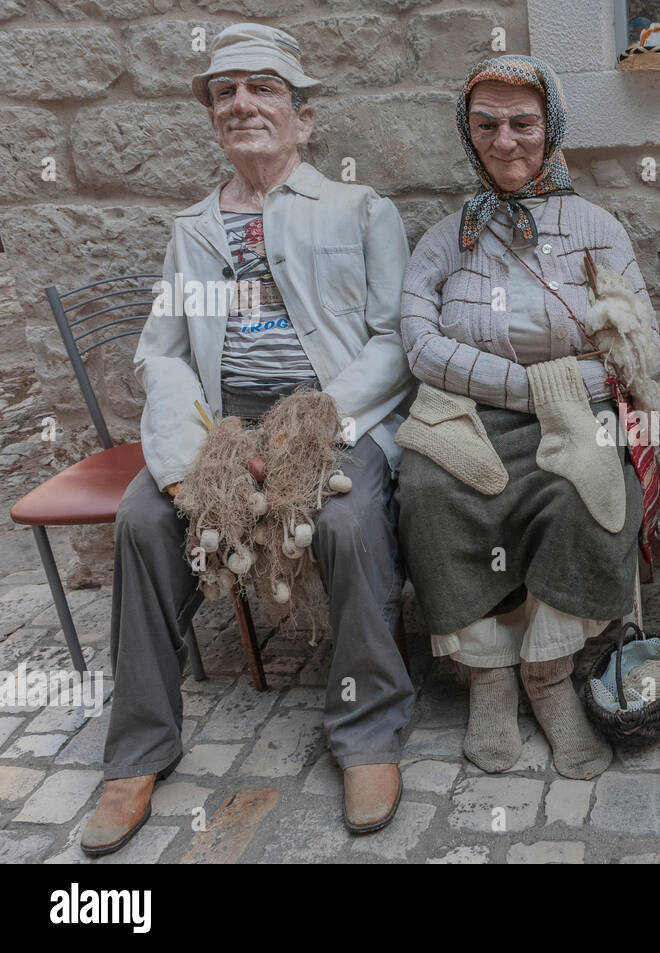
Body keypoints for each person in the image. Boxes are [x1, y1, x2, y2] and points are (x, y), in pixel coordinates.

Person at [81, 23, 416, 856]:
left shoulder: (359, 209)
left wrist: (311, 426)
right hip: (221, 430)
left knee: (345, 523)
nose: (241, 104)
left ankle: (367, 731)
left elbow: (392, 340)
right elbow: (161, 354)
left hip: (337, 419)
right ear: (213, 123)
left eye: (262, 88)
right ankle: (137, 751)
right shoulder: (191, 230)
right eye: (224, 92)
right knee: (142, 523)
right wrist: (181, 464)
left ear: (304, 119)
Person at [397, 55, 660, 780]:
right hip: (461, 416)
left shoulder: (596, 228)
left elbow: (639, 352)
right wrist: (525, 384)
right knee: (426, 493)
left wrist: (559, 386)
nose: (506, 140)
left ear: (552, 127)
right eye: (486, 124)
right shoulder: (444, 238)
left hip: (573, 414)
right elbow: (419, 344)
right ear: (467, 132)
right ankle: (487, 677)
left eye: (524, 122)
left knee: (587, 493)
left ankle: (548, 675)